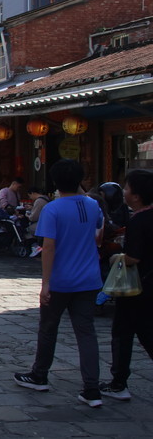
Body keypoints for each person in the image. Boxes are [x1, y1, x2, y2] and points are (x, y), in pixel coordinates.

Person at [14, 159, 105, 408]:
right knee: (86, 333)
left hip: (61, 280)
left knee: (49, 328)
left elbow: (49, 247)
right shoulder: (92, 205)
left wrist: (45, 283)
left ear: (54, 183)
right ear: (80, 180)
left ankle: (39, 374)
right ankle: (92, 388)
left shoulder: (53, 209)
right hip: (89, 278)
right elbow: (98, 231)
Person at [100, 169, 153, 402]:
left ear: (137, 195)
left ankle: (118, 382)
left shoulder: (138, 220)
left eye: (128, 188)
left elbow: (133, 257)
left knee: (124, 333)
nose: (124, 192)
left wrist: (115, 259)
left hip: (136, 287)